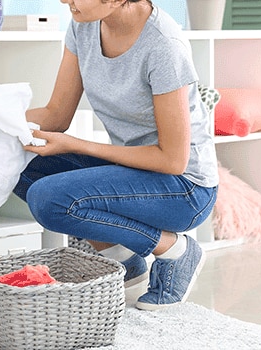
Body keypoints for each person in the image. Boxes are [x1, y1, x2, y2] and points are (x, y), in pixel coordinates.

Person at [13, 0, 219, 310]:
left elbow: (173, 160)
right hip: (134, 171)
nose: (64, 1)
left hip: (185, 188)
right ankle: (124, 261)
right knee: (19, 165)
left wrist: (77, 145)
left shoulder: (164, 45)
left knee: (48, 199)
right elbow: (56, 115)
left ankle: (175, 250)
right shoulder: (83, 26)